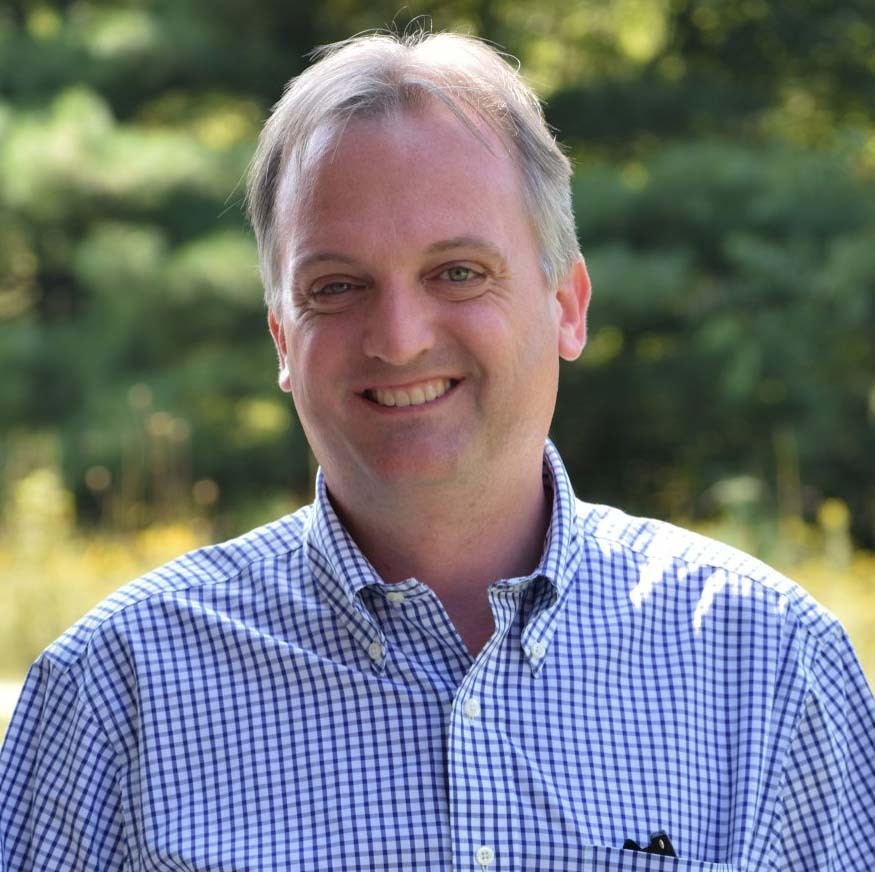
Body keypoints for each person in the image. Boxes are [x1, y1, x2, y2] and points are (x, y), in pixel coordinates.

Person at [1, 29, 873, 872]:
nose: (400, 338)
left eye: (457, 272)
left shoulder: (767, 666)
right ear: (280, 339)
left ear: (566, 304)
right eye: (336, 287)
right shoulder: (110, 698)